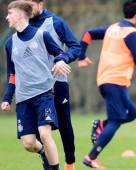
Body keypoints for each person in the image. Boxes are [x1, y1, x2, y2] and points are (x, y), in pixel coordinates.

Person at [1, 1, 72, 170]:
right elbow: (12, 74)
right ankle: (43, 153)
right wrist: (7, 98)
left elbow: (59, 52)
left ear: (19, 15)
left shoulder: (42, 35)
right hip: (23, 98)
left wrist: (60, 61)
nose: (7, 17)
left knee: (45, 134)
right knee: (28, 143)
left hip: (44, 94)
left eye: (10, 13)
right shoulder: (10, 44)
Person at [79, 0, 136, 168]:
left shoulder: (112, 28)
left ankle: (101, 125)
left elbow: (88, 34)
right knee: (116, 121)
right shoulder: (133, 33)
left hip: (105, 80)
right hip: (116, 81)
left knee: (132, 113)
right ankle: (91, 157)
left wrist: (82, 55)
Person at [24, 0, 89, 169]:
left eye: (31, 4)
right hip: (33, 87)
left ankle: (70, 164)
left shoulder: (56, 22)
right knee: (38, 133)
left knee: (64, 125)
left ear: (40, 4)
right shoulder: (22, 26)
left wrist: (63, 58)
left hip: (56, 83)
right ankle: (49, 164)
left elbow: (75, 47)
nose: (28, 9)